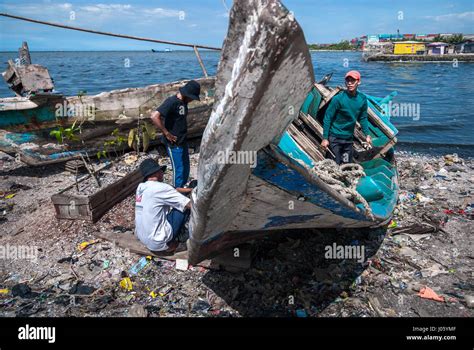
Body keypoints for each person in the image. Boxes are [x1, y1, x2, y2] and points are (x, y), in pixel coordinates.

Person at [150, 80, 201, 194]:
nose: (192, 100)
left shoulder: (183, 103)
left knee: (186, 168)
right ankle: (177, 193)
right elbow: (154, 116)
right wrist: (166, 133)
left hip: (182, 140)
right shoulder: (172, 102)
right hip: (174, 143)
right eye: (191, 97)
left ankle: (184, 188)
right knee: (179, 169)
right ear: (186, 94)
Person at [135, 159, 191, 253]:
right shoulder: (160, 188)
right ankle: (176, 239)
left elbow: (174, 189)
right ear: (157, 173)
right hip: (158, 241)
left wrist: (190, 189)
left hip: (144, 239)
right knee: (185, 206)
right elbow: (189, 204)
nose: (163, 173)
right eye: (161, 171)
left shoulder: (140, 187)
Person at [321, 70, 372, 164]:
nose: (350, 83)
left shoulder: (362, 99)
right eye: (347, 80)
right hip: (334, 139)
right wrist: (325, 138)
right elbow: (328, 118)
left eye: (353, 80)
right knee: (334, 164)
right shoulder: (338, 99)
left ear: (359, 82)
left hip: (348, 140)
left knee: (346, 164)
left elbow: (363, 118)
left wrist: (367, 135)